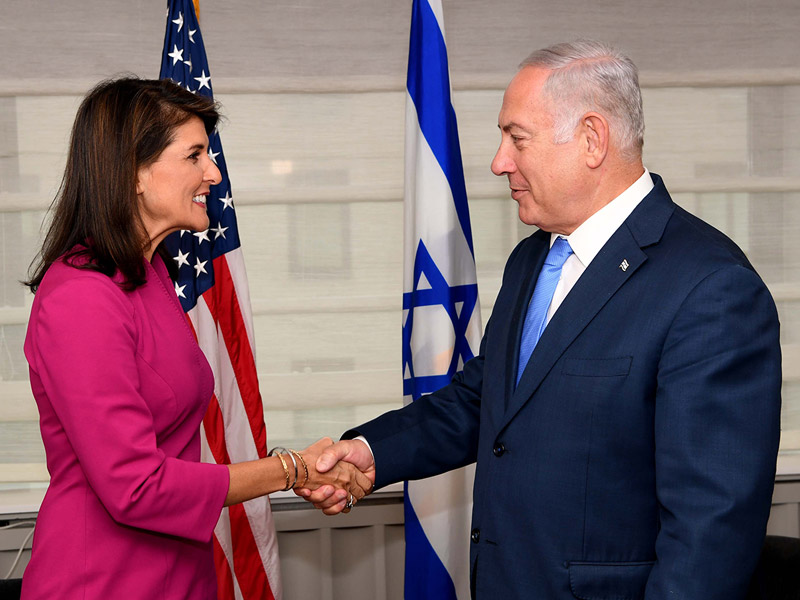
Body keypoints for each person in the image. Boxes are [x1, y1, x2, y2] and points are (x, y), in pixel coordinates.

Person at [298, 40, 782, 598]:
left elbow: (711, 535)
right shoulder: (535, 256)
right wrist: (372, 452)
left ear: (592, 139)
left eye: (516, 137)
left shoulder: (711, 288)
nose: (498, 161)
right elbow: (489, 401)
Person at [21, 77, 371, 600]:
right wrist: (289, 468)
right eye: (195, 155)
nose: (213, 172)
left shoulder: (151, 272)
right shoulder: (80, 297)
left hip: (180, 570)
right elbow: (135, 486)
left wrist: (293, 466)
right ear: (134, 173)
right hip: (103, 580)